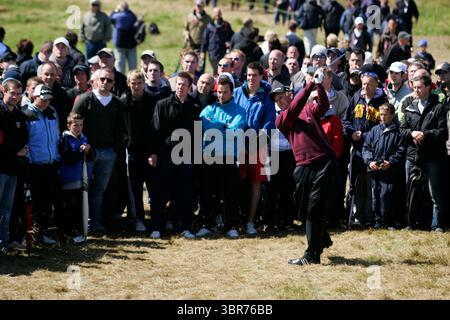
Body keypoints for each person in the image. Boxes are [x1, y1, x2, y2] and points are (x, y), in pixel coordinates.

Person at [275, 68, 337, 265]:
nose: (278, 101)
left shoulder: (308, 108)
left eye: (280, 96)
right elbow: (294, 109)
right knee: (302, 210)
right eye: (275, 100)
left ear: (289, 94)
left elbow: (324, 105)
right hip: (303, 167)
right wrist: (310, 84)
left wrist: (318, 85)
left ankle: (312, 254)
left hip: (324, 162)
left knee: (314, 209)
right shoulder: (281, 120)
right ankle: (321, 238)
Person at [150, 72, 201, 239]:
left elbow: (197, 133)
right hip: (165, 153)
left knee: (184, 192)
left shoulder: (194, 107)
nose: (180, 87)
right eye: (178, 84)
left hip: (186, 155)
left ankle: (183, 227)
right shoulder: (162, 104)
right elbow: (155, 131)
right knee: (160, 192)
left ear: (189, 87)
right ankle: (157, 227)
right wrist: (154, 153)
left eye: (184, 84)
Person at [72, 68, 123, 232]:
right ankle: (80, 225)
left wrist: (115, 149)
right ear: (94, 80)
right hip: (87, 151)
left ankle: (96, 223)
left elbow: (120, 128)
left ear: (114, 83)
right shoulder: (84, 99)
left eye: (109, 80)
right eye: (102, 79)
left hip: (108, 152)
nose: (105, 82)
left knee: (99, 190)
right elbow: (73, 124)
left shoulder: (116, 102)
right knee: (83, 188)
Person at [197, 73, 247, 238]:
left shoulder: (240, 111)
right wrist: (223, 127)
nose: (221, 95)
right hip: (209, 157)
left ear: (232, 92)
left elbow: (236, 131)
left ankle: (231, 225)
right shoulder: (209, 109)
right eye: (219, 92)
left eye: (225, 92)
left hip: (229, 158)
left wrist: (216, 128)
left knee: (230, 194)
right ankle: (206, 224)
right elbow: (203, 127)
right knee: (207, 193)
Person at [400, 75, 448, 232]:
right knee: (410, 191)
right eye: (414, 87)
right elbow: (402, 130)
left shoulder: (438, 107)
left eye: (419, 87)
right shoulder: (410, 107)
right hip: (413, 156)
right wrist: (412, 134)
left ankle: (437, 225)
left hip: (432, 157)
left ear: (428, 87)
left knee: (435, 192)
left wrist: (424, 134)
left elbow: (442, 132)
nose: (416, 90)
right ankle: (410, 224)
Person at [234, 62, 275, 235]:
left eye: (254, 75)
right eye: (248, 75)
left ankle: (251, 220)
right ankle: (233, 219)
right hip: (236, 146)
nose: (251, 78)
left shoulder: (267, 97)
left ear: (261, 76)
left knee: (255, 183)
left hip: (258, 147)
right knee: (235, 183)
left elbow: (268, 126)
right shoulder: (236, 93)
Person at [344, 71, 388, 227]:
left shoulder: (382, 101)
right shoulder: (357, 97)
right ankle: (356, 216)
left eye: (369, 84)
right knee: (356, 183)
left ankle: (371, 217)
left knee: (371, 185)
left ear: (376, 84)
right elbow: (346, 120)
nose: (365, 87)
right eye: (363, 83)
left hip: (373, 150)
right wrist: (350, 133)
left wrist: (363, 136)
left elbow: (383, 126)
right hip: (356, 149)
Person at [120, 70, 158, 233]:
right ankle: (138, 219)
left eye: (139, 83)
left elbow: (155, 127)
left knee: (153, 186)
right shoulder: (123, 101)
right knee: (135, 188)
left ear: (144, 83)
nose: (136, 86)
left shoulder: (151, 101)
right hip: (132, 151)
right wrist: (126, 142)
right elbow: (120, 126)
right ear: (128, 84)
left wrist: (153, 151)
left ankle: (157, 219)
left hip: (148, 151)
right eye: (133, 83)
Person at [23, 84, 61, 244]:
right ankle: (35, 234)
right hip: (35, 166)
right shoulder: (27, 113)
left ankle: (44, 232)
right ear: (34, 97)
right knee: (37, 202)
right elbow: (26, 142)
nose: (46, 102)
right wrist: (29, 162)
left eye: (48, 99)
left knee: (49, 201)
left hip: (52, 164)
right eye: (42, 99)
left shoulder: (52, 112)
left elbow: (56, 136)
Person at [362, 103, 406, 229]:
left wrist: (391, 162)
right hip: (375, 169)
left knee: (386, 195)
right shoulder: (375, 130)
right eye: (381, 114)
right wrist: (370, 162)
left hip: (389, 171)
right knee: (375, 195)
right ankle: (377, 221)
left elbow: (401, 150)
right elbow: (366, 148)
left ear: (392, 115)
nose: (383, 117)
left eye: (386, 115)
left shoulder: (397, 132)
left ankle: (388, 221)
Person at [0, 79, 29, 252]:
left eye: (19, 94)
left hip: (13, 168)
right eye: (12, 93)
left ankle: (4, 242)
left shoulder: (19, 114)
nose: (16, 97)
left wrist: (16, 149)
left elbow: (24, 137)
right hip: (1, 167)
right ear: (4, 90)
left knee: (7, 209)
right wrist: (15, 150)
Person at [58, 112, 94, 243]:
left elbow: (90, 156)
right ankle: (69, 233)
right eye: (75, 125)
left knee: (80, 207)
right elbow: (69, 159)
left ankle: (80, 231)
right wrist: (81, 151)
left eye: (81, 125)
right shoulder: (65, 139)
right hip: (69, 179)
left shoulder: (83, 138)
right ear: (69, 125)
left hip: (82, 179)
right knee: (70, 208)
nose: (78, 128)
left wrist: (88, 150)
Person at [200, 7, 234, 75]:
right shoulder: (209, 26)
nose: (217, 15)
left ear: (221, 14)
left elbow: (232, 36)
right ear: (213, 14)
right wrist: (202, 51)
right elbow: (204, 39)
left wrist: (230, 43)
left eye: (218, 13)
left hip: (223, 52)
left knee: (222, 69)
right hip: (212, 52)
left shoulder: (226, 25)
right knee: (216, 69)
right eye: (215, 13)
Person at [110, 1, 138, 74]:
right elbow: (135, 20)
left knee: (120, 66)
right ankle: (134, 81)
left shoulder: (116, 16)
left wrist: (115, 11)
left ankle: (121, 82)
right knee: (132, 67)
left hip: (119, 44)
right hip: (131, 43)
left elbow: (110, 19)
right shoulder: (131, 16)